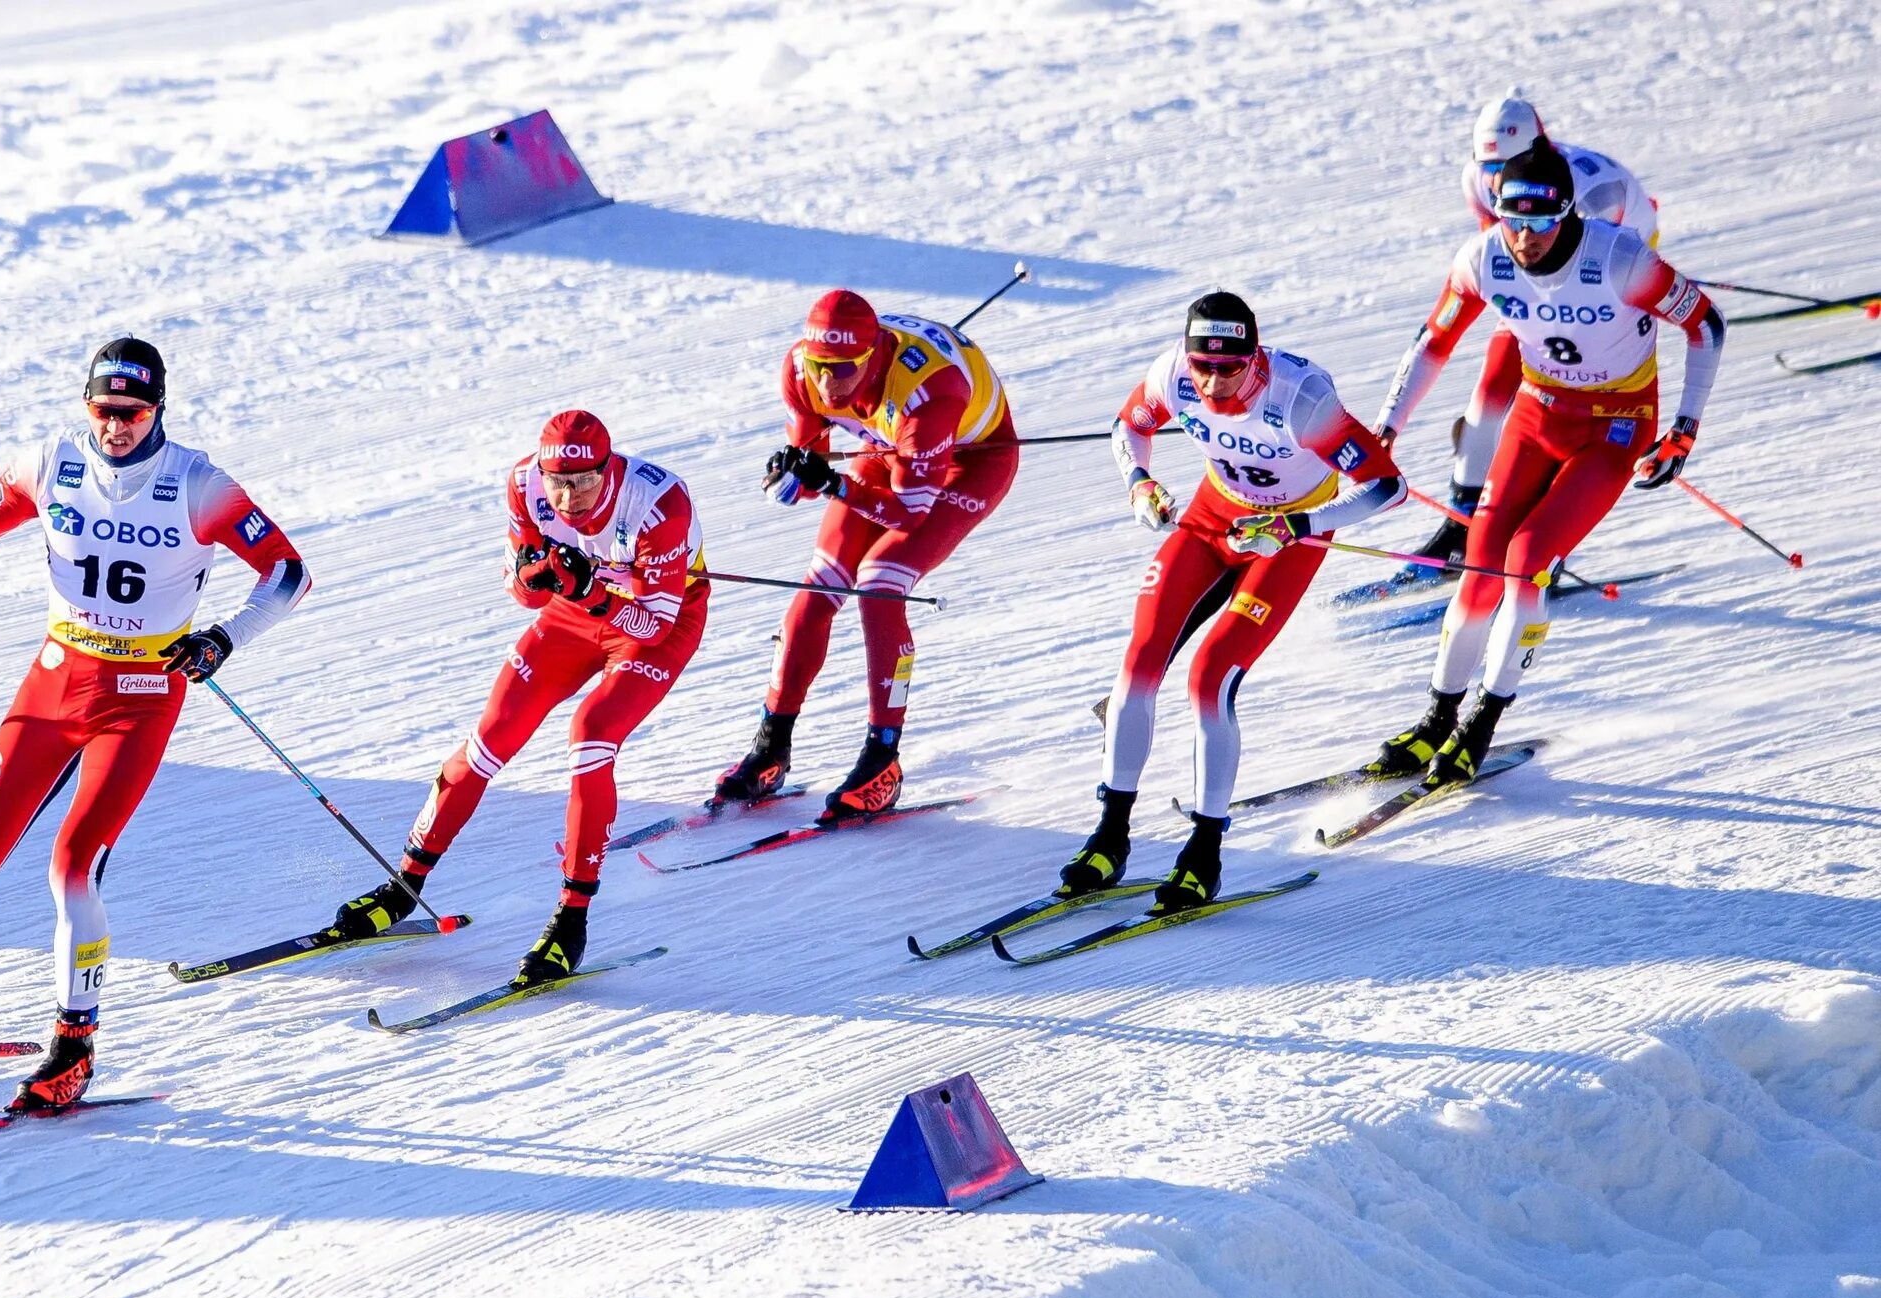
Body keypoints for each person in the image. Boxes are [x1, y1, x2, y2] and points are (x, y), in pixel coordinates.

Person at [0, 336, 310, 1108]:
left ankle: (74, 1046)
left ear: (158, 411)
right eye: (104, 411)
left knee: (73, 863)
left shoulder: (197, 484)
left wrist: (223, 638)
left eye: (133, 415)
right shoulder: (52, 463)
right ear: (87, 405)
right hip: (55, 677)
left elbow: (288, 572)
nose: (116, 428)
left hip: (140, 691)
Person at [1365, 140, 1722, 783]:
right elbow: (1433, 341)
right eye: (1512, 220)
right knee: (1479, 565)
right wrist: (1385, 428)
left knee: (1526, 560)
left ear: (1569, 215)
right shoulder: (1484, 258)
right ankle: (1437, 719)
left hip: (1614, 425)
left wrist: (1683, 431)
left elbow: (1706, 324)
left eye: (1540, 222)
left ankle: (1482, 722)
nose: (1524, 238)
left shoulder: (1618, 259)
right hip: (1539, 413)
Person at [330, 409, 706, 987]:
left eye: (585, 482)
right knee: (491, 736)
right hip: (577, 613)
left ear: (609, 471)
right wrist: (540, 580)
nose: (570, 496)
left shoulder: (659, 504)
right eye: (560, 481)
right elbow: (521, 591)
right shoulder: (525, 484)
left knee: (592, 733)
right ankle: (404, 885)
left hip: (656, 617)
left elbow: (653, 626)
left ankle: (571, 919)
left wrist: (588, 589)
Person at [1066, 292, 1406, 911]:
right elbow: (1129, 428)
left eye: (1232, 368)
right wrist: (1139, 483)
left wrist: (1299, 526)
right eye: (1204, 367)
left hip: (1286, 539)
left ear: (1257, 358)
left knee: (1209, 676)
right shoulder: (1174, 371)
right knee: (1139, 663)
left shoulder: (1301, 399)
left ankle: (1204, 852)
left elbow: (1388, 485)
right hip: (1211, 518)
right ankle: (1110, 836)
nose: (1216, 381)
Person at [708, 288, 1020, 821]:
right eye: (820, 367)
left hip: (970, 460)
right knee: (821, 584)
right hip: (887, 448)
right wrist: (794, 477)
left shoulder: (930, 392)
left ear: (873, 355)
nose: (828, 385)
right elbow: (811, 466)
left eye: (844, 369)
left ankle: (883, 760)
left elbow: (905, 514)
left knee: (879, 585)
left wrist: (832, 484)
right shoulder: (801, 369)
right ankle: (770, 747)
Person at [1404, 95, 1658, 571]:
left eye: (1505, 163)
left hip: (1620, 241)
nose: (1498, 177)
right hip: (1539, 259)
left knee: (1554, 396)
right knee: (1491, 387)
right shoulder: (1477, 180)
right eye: (1488, 165)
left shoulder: (1581, 193)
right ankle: (1461, 526)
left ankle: (1544, 536)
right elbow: (1503, 252)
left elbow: (1587, 276)